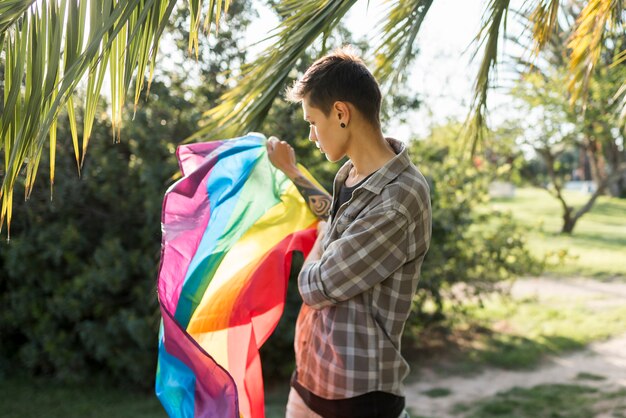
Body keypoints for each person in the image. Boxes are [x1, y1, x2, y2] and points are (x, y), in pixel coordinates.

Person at [266, 46, 432, 418]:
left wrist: (320, 241)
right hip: (312, 375)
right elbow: (338, 222)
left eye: (312, 121)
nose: (310, 134)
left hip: (356, 396)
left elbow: (318, 285)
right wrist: (293, 172)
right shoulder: (354, 176)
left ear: (340, 113)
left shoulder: (399, 198)